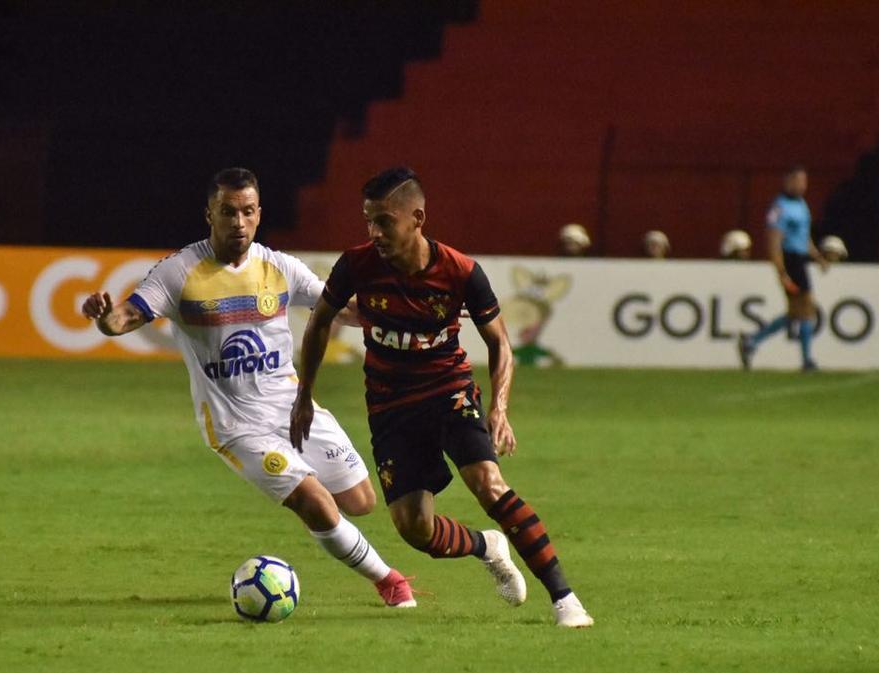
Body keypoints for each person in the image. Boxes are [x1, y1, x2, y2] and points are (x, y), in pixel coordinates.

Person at [81, 168, 416, 608]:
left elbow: (341, 310)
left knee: (360, 501)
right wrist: (105, 318)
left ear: (259, 215)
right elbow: (125, 318)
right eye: (228, 212)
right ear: (210, 215)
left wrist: (406, 314)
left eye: (247, 212)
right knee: (315, 501)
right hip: (236, 425)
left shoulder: (279, 268)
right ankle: (390, 581)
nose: (238, 222)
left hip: (294, 409)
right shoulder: (179, 272)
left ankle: (316, 511)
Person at [290, 166, 594, 628]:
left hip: (447, 390)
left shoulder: (461, 271)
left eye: (384, 221)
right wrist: (304, 396)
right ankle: (486, 546)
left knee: (489, 485)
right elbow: (318, 324)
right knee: (415, 529)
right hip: (390, 406)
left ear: (417, 218)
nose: (374, 232)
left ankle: (565, 599)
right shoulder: (356, 264)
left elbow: (500, 343)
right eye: (368, 220)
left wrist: (499, 407)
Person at [737, 166, 828, 372]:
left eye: (805, 181)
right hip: (790, 261)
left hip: (800, 260)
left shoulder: (802, 205)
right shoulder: (779, 207)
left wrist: (817, 256)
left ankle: (752, 341)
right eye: (799, 181)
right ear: (788, 181)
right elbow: (774, 239)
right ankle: (806, 361)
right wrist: (780, 270)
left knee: (797, 313)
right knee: (806, 308)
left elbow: (804, 237)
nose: (803, 186)